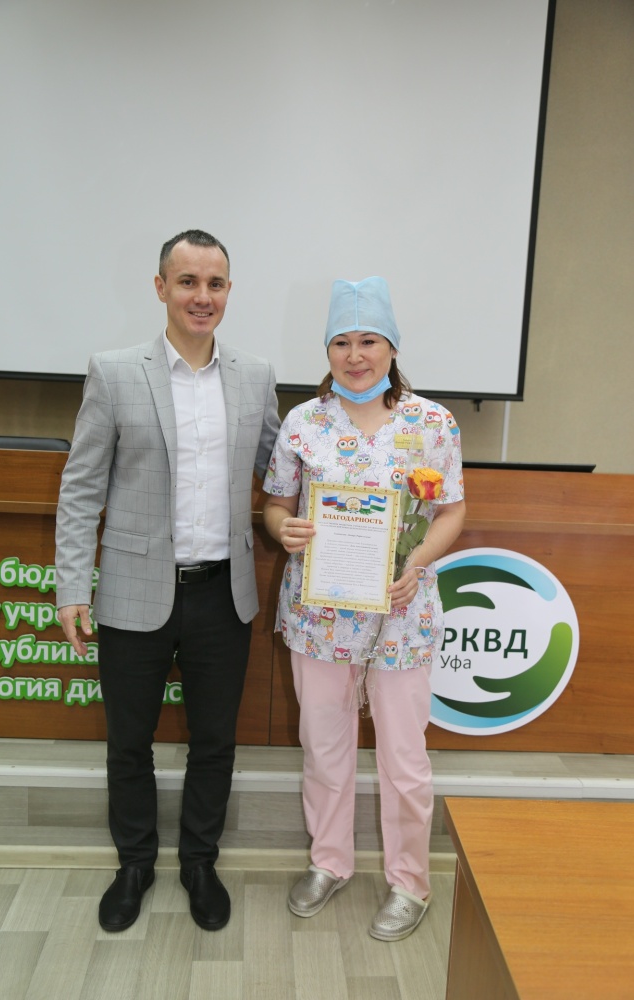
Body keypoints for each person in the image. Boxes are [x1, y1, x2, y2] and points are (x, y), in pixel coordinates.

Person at [55, 228, 279, 933]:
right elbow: (81, 487)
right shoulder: (115, 371)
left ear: (228, 291)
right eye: (187, 282)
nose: (201, 296)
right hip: (132, 590)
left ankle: (199, 864)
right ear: (161, 288)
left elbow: (284, 471)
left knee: (215, 742)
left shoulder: (256, 375)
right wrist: (72, 587)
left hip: (223, 594)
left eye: (214, 283)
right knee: (129, 742)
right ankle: (134, 865)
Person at [262, 276, 465, 941]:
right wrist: (283, 529)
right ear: (327, 350)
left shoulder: (431, 423)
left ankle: (409, 882)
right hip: (321, 617)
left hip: (401, 615)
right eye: (341, 342)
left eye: (369, 341)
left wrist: (416, 562)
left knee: (404, 757)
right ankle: (329, 861)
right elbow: (276, 504)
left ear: (392, 347)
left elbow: (451, 509)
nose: (355, 355)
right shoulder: (303, 423)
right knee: (324, 748)